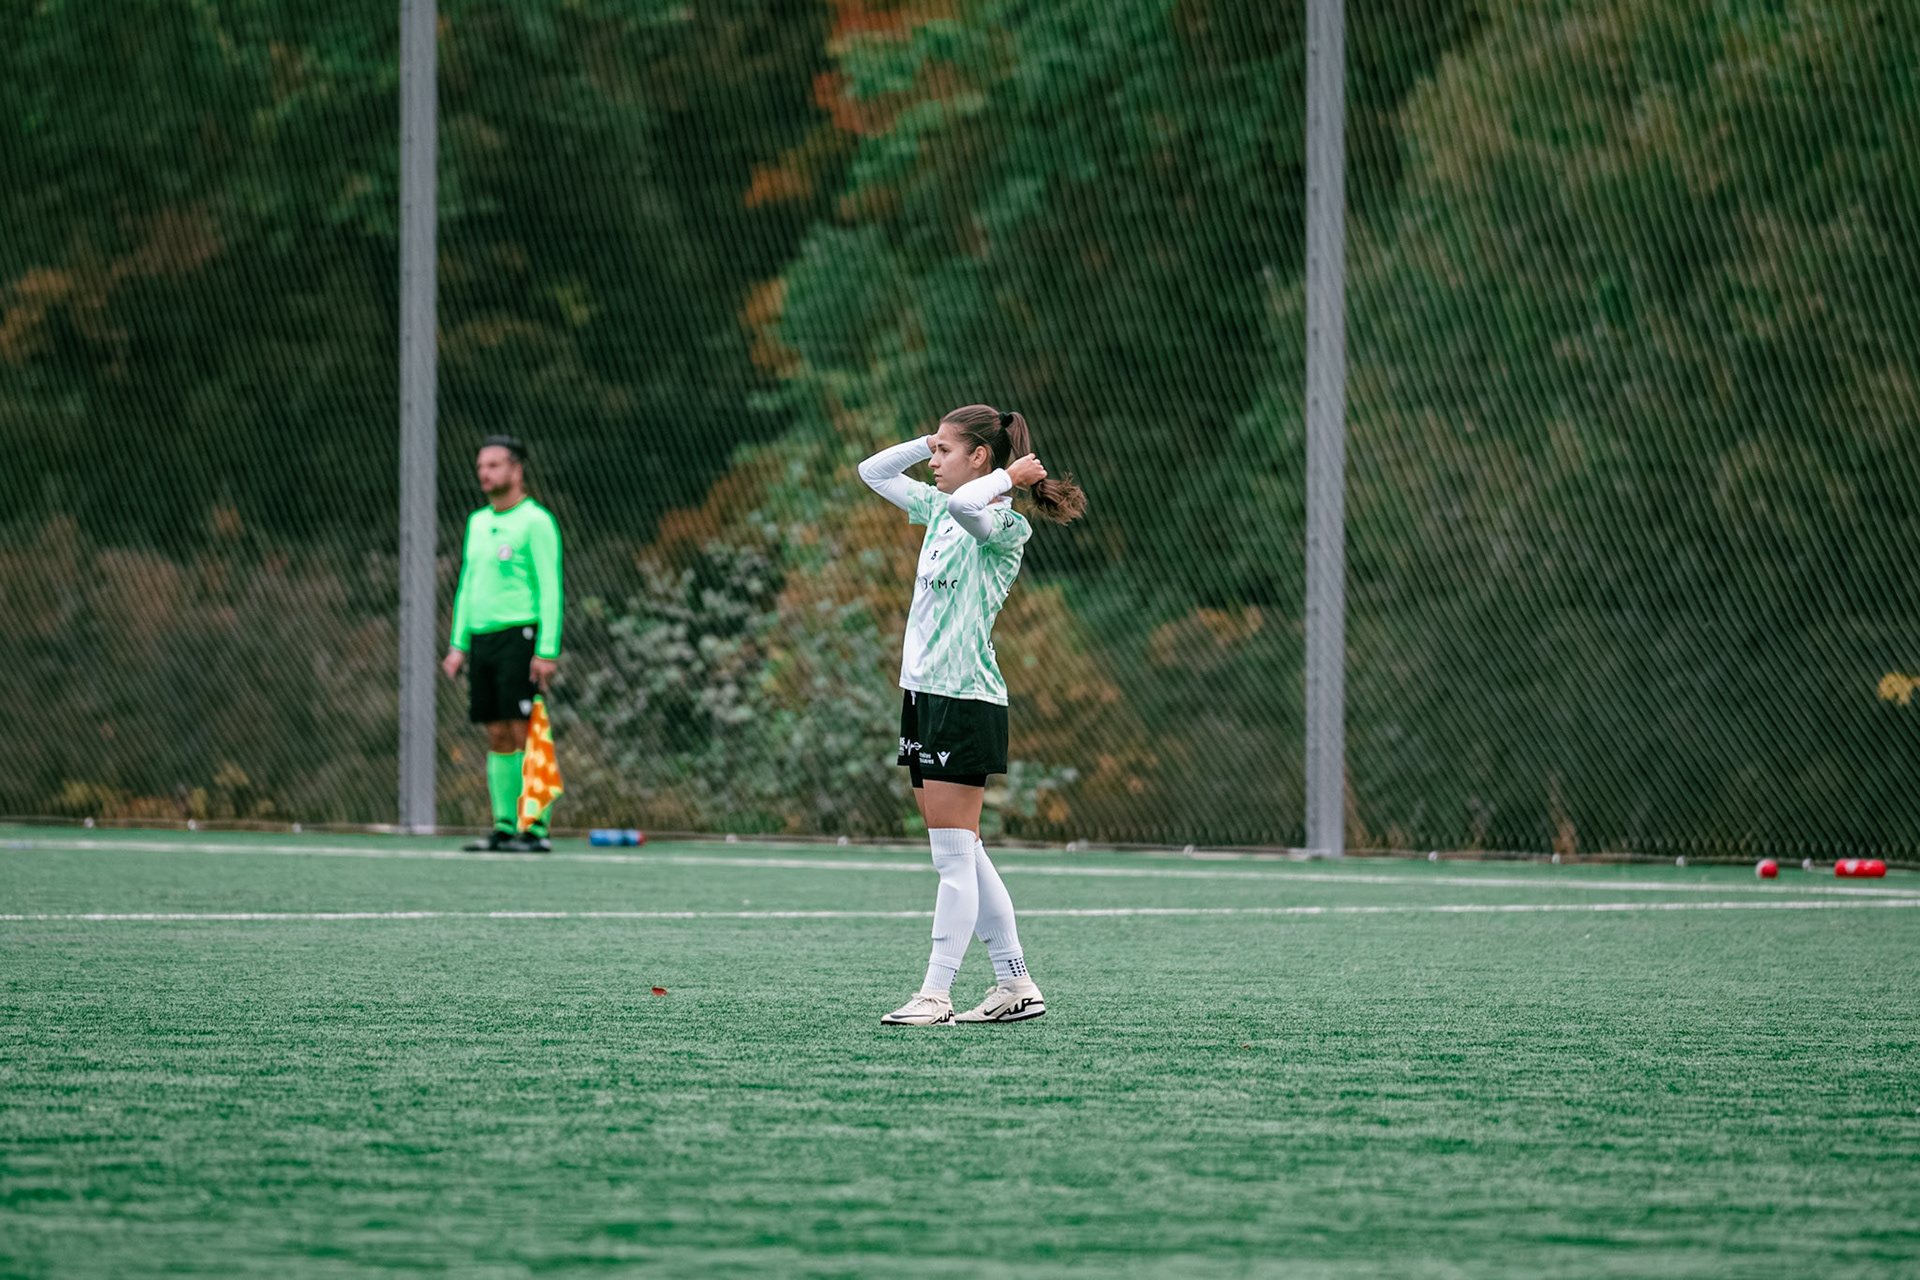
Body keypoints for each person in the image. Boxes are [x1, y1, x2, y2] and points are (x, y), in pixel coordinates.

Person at [857, 404, 1087, 1026]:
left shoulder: (1004, 524)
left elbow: (969, 507)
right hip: (924, 696)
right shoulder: (937, 507)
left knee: (953, 857)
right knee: (962, 850)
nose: (932, 464)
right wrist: (927, 439)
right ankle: (1015, 982)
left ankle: (936, 993)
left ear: (981, 459)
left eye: (944, 453)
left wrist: (1010, 480)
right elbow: (872, 471)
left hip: (965, 700)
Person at [441, 435, 564, 853]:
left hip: (521, 635)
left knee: (524, 728)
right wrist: (459, 645)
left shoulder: (536, 521)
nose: (485, 474)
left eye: (494, 465)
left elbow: (551, 588)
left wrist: (546, 649)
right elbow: (467, 585)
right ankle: (504, 825)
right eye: (480, 467)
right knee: (495, 731)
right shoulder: (477, 522)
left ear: (516, 469)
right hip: (482, 640)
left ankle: (536, 827)